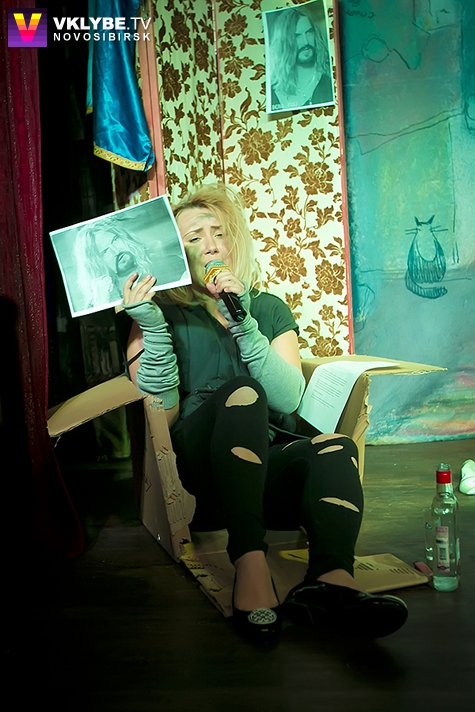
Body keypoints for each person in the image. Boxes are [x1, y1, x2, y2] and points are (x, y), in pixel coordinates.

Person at [118, 184, 408, 640]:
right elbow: (161, 415)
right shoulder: (157, 314)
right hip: (203, 476)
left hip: (264, 474)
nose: (211, 245)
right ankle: (250, 563)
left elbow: (289, 399)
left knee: (335, 447)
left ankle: (331, 581)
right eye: (194, 237)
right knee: (244, 393)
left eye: (219, 233)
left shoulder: (267, 309)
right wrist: (152, 327)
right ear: (175, 254)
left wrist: (244, 324)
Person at [269, 7, 333, 112]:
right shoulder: (273, 92)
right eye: (297, 36)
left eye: (309, 32)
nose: (306, 42)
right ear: (285, 43)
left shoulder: (329, 81)